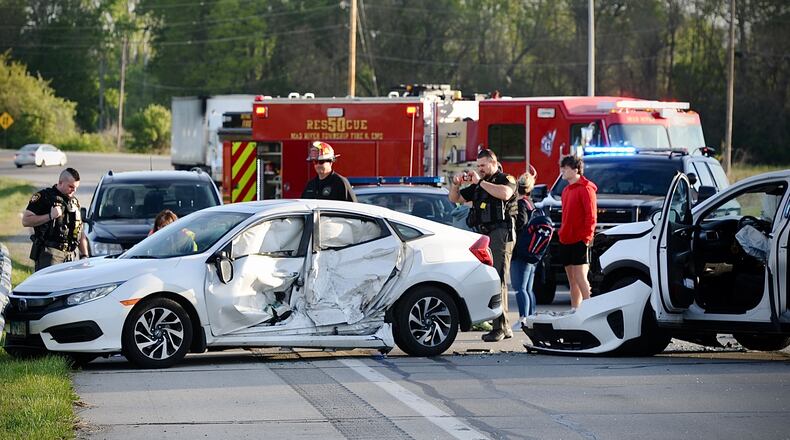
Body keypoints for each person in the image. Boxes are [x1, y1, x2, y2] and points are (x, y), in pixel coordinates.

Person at [449, 148, 517, 342]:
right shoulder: (480, 185)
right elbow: (456, 199)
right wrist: (455, 184)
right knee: (490, 280)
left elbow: (505, 194)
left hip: (501, 233)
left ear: (493, 163)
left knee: (498, 279)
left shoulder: (506, 179)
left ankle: (500, 327)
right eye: (478, 166)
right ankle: (504, 327)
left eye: (483, 165)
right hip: (484, 235)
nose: (480, 169)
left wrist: (480, 181)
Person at [22, 167, 89, 271]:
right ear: (60, 182)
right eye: (71, 186)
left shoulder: (75, 202)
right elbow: (26, 220)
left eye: (76, 187)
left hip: (71, 257)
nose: (74, 190)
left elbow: (80, 231)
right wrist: (50, 216)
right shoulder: (44, 197)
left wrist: (84, 255)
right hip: (50, 255)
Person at [558, 155, 597, 310]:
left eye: (565, 168)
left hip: (580, 239)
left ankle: (590, 309)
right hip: (565, 239)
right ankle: (576, 310)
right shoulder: (566, 190)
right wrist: (561, 233)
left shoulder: (586, 189)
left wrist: (587, 237)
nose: (562, 171)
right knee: (572, 280)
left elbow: (591, 215)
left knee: (581, 277)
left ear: (575, 170)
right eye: (562, 168)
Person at [510, 169, 537, 328]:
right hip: (531, 250)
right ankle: (530, 317)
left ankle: (523, 320)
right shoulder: (530, 203)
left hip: (521, 251)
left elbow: (520, 224)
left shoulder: (521, 204)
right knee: (528, 289)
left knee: (520, 288)